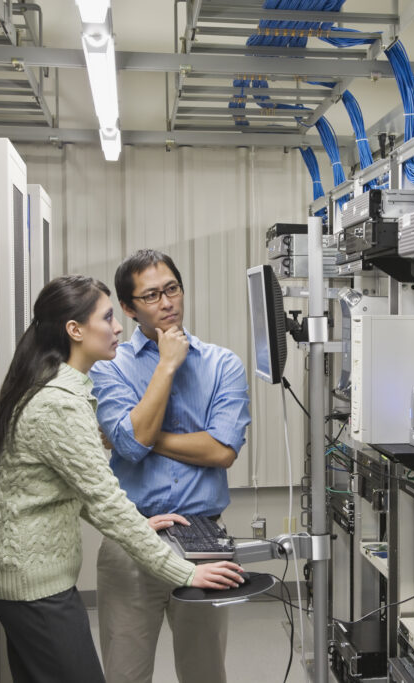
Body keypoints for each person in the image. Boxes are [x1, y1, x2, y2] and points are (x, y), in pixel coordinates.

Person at [0, 275, 244, 683]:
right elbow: (106, 499)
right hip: (35, 585)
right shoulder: (61, 403)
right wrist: (186, 573)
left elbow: (81, 485)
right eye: (108, 317)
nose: (118, 328)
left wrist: (138, 499)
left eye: (172, 289)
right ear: (76, 330)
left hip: (33, 580)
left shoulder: (63, 388)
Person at [91, 250, 251, 683]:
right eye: (151, 296)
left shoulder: (223, 364)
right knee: (126, 672)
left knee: (204, 673)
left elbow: (221, 451)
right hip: (133, 538)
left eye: (172, 289)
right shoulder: (110, 365)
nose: (167, 303)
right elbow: (127, 441)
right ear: (128, 307)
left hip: (205, 540)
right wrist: (166, 365)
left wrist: (140, 437)